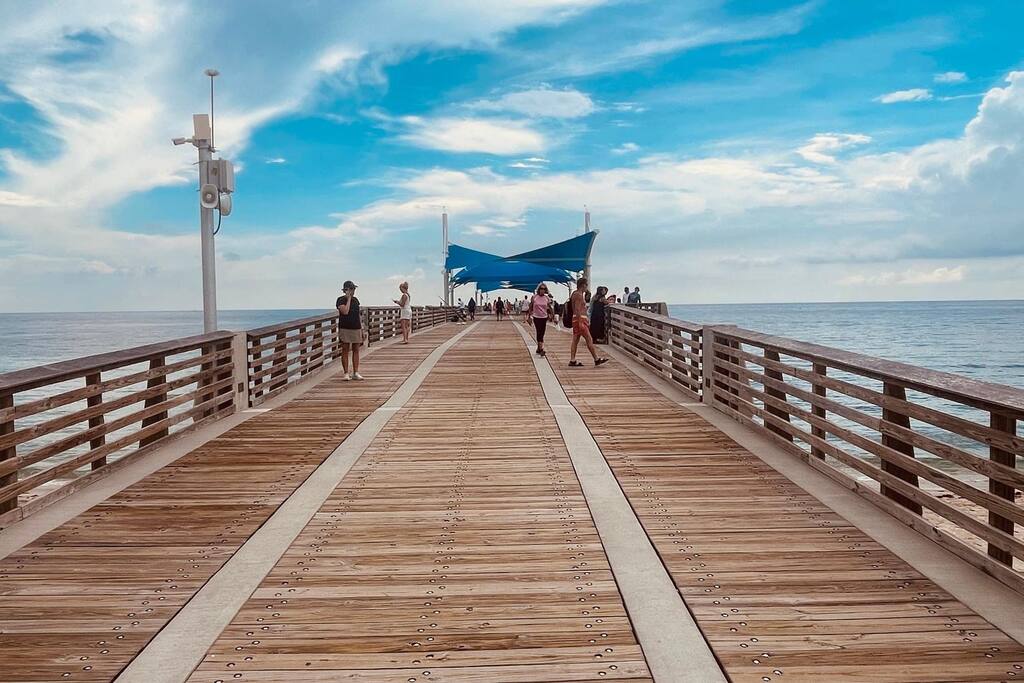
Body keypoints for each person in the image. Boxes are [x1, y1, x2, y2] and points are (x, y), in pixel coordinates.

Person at [569, 278, 609, 367]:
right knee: (589, 339)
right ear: (583, 285)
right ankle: (596, 359)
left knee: (575, 339)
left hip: (576, 319)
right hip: (580, 319)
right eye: (586, 285)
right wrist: (580, 322)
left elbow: (574, 308)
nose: (587, 287)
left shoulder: (575, 293)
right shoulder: (579, 295)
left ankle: (572, 360)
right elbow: (577, 309)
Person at [336, 280, 365, 380]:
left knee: (356, 349)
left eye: (354, 289)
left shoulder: (356, 300)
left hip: (356, 327)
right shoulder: (340, 300)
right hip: (345, 328)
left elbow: (358, 315)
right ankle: (346, 373)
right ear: (346, 290)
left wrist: (362, 329)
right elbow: (345, 311)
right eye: (351, 289)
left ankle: (355, 372)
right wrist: (348, 299)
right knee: (345, 349)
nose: (353, 291)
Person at [529, 283, 553, 356]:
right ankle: (541, 349)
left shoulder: (546, 298)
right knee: (539, 332)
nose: (542, 290)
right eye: (541, 289)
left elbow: (550, 307)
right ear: (539, 289)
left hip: (544, 317)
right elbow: (531, 306)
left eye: (544, 289)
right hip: (536, 317)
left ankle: (538, 348)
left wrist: (553, 315)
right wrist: (529, 316)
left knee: (542, 332)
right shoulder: (534, 297)